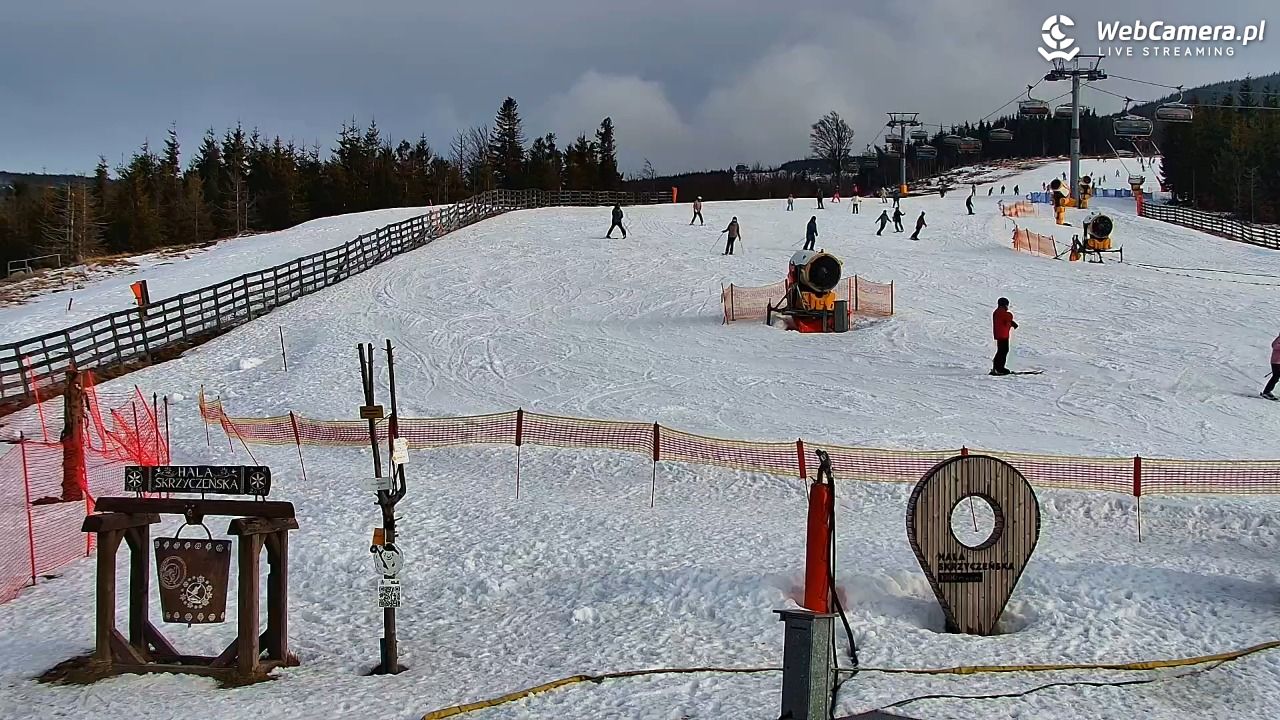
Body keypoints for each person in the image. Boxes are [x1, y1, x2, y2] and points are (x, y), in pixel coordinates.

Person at [990, 297, 1019, 375]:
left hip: (1001, 334)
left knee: (1002, 351)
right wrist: (1011, 321)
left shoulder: (998, 312)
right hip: (1002, 335)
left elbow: (1006, 321)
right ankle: (999, 368)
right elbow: (1008, 317)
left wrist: (1012, 323)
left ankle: (997, 367)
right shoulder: (1001, 312)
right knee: (1003, 351)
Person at [1263, 332, 1280, 399]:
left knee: (1276, 377)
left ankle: (1267, 391)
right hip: (1276, 362)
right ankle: (1266, 392)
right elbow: (1274, 346)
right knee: (1275, 377)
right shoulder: (1278, 340)